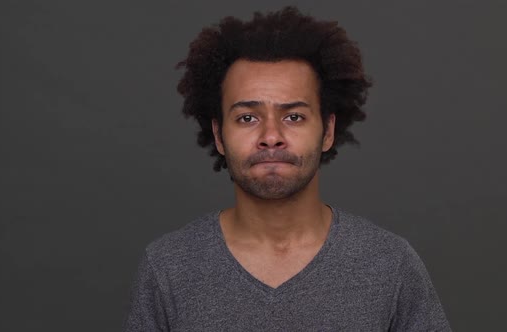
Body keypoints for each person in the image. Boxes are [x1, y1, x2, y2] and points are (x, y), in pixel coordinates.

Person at [124, 6, 451, 331]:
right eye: (247, 118)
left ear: (327, 131)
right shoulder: (168, 267)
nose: (271, 137)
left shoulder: (390, 265)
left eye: (293, 116)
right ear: (219, 135)